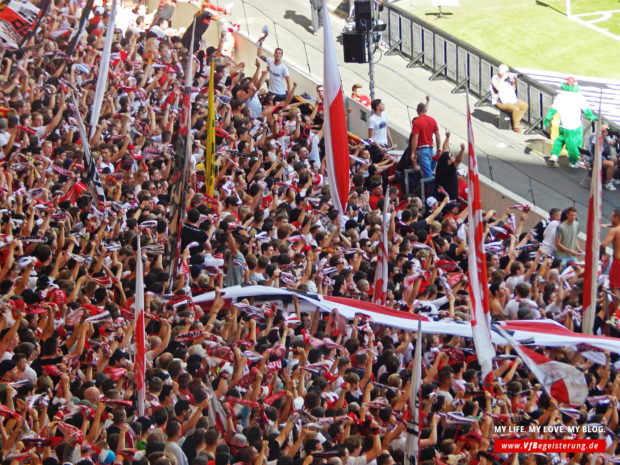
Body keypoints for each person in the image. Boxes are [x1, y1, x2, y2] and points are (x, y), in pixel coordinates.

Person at [544, 76, 598, 168]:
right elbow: (587, 111)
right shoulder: (579, 97)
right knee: (573, 145)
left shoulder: (560, 96)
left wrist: (547, 119)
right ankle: (573, 161)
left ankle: (554, 155)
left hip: (562, 125)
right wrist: (592, 117)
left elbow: (553, 109)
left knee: (560, 140)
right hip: (574, 127)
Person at [490, 64, 528, 133]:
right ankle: (516, 127)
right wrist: (503, 78)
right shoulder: (495, 78)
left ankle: (516, 120)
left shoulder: (509, 78)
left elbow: (514, 88)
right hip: (500, 101)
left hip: (511, 99)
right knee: (516, 109)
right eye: (506, 72)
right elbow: (498, 88)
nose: (507, 73)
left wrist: (515, 80)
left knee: (524, 105)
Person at [411, 101, 440, 179]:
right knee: (428, 171)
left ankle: (431, 190)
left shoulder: (416, 122)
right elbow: (437, 136)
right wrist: (438, 148)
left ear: (417, 111)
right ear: (425, 110)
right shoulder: (432, 120)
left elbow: (415, 139)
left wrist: (413, 153)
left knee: (428, 176)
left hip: (422, 151)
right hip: (431, 150)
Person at [602, 209, 620, 295]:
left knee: (614, 287)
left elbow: (604, 244)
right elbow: (614, 225)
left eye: (612, 216)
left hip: (618, 262)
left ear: (616, 218)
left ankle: (617, 308)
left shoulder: (614, 231)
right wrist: (607, 225)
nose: (610, 217)